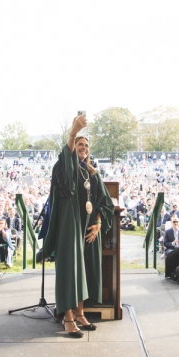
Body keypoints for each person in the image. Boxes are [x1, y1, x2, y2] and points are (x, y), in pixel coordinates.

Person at [43, 115, 115, 338]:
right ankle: (67, 317)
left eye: (86, 145)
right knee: (69, 270)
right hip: (70, 227)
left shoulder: (93, 173)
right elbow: (65, 172)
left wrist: (98, 224)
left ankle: (80, 312)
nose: (82, 148)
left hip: (88, 229)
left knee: (82, 270)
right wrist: (73, 133)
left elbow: (105, 202)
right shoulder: (65, 167)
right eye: (79, 144)